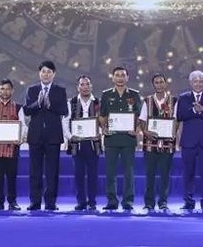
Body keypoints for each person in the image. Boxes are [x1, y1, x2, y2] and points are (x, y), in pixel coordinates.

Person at [24, 60, 68, 211]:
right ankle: (35, 201)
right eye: (43, 71)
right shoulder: (32, 89)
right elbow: (27, 110)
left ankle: (50, 202)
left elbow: (64, 110)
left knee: (52, 171)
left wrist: (50, 105)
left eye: (49, 72)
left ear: (54, 74)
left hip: (53, 137)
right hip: (35, 136)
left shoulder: (60, 90)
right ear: (39, 73)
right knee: (34, 171)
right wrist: (38, 103)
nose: (46, 74)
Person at [99, 66, 141, 211]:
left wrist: (137, 130)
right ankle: (112, 201)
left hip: (128, 139)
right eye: (117, 75)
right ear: (113, 78)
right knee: (110, 171)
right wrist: (103, 128)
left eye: (123, 75)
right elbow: (102, 116)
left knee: (128, 171)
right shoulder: (106, 95)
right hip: (111, 139)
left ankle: (128, 201)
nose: (120, 78)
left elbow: (140, 116)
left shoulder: (135, 95)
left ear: (127, 77)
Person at [176, 70, 203, 211]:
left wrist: (202, 110)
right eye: (195, 81)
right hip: (188, 142)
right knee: (188, 173)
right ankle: (188, 201)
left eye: (201, 81)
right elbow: (181, 115)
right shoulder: (183, 98)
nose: (198, 84)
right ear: (190, 83)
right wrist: (195, 111)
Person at [0, 79, 26, 211]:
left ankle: (12, 201)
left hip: (12, 147)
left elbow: (23, 125)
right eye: (2, 88)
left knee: (12, 176)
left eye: (7, 89)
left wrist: (20, 138)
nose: (5, 91)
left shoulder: (18, 107)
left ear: (12, 91)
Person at [139, 73, 178, 211]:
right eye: (156, 82)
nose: (159, 84)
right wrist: (145, 132)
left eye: (162, 82)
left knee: (165, 175)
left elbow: (176, 121)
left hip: (167, 145)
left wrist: (173, 133)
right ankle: (149, 203)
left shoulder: (174, 101)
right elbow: (142, 121)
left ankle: (163, 202)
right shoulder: (147, 101)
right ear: (153, 85)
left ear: (165, 84)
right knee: (150, 175)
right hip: (150, 145)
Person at [64, 75, 102, 211]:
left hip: (93, 144)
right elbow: (65, 122)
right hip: (77, 144)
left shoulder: (98, 102)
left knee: (93, 174)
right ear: (78, 87)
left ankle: (92, 201)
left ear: (91, 86)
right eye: (82, 84)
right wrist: (70, 136)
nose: (85, 87)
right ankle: (81, 202)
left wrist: (101, 134)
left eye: (87, 84)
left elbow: (103, 123)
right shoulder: (71, 102)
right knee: (78, 174)